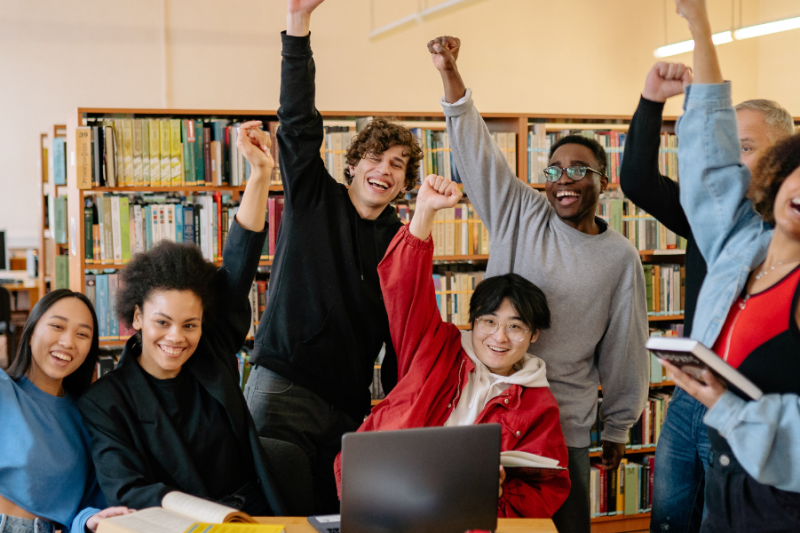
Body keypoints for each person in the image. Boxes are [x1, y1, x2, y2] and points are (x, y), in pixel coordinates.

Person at [428, 36, 649, 532]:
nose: (563, 179)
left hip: (563, 423)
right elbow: (478, 152)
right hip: (491, 409)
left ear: (603, 181)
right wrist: (450, 73)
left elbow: (625, 346)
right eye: (553, 169)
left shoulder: (620, 257)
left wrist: (617, 426)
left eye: (578, 169)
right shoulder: (520, 211)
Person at [244, 0, 423, 514]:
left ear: (404, 183)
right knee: (271, 515)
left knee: (336, 519)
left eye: (398, 165)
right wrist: (298, 24)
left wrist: (392, 412)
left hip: (349, 407)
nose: (384, 170)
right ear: (353, 164)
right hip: (282, 388)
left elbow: (399, 335)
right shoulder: (312, 197)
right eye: (375, 157)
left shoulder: (400, 242)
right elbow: (297, 119)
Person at [78, 122, 287, 517]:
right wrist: (207, 511)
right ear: (136, 317)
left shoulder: (212, 352)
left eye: (189, 324)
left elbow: (239, 265)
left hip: (257, 512)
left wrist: (260, 175)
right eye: (162, 322)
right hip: (180, 522)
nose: (176, 337)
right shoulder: (105, 401)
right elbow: (126, 486)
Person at [619, 63, 795, 533]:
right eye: (725, 147)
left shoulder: (786, 233)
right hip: (688, 398)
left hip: (747, 409)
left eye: (747, 148)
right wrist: (653, 100)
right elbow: (636, 181)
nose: (732, 161)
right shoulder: (711, 219)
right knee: (670, 519)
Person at [334, 173, 570, 517]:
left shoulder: (538, 402)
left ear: (534, 335)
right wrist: (425, 211)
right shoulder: (435, 347)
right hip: (385, 497)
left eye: (516, 327)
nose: (499, 338)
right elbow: (406, 287)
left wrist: (494, 500)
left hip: (465, 517)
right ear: (472, 322)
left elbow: (546, 488)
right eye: (489, 322)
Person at [657, 0, 800, 530]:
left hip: (781, 498)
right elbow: (707, 154)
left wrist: (730, 409)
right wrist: (701, 27)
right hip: (727, 477)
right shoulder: (740, 241)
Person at [1, 290, 131, 533]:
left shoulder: (88, 419)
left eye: (82, 334)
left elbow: (85, 507)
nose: (68, 342)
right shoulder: (3, 390)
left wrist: (90, 520)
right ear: (30, 334)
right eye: (57, 326)